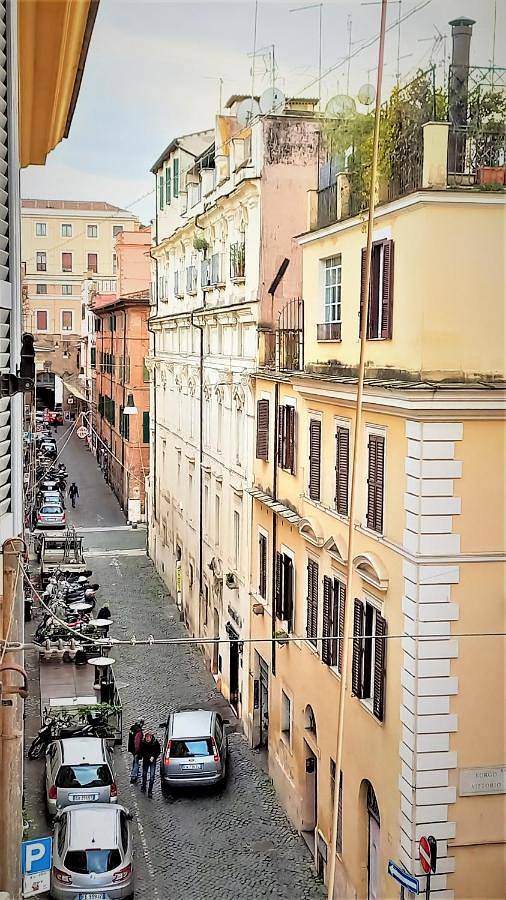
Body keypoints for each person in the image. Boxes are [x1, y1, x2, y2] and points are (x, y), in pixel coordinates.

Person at [140, 731, 161, 798]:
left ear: (151, 738)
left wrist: (153, 757)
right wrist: (149, 757)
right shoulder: (143, 743)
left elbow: (158, 751)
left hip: (153, 761)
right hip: (146, 761)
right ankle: (143, 786)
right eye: (146, 739)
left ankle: (150, 791)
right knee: (144, 775)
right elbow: (142, 752)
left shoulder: (155, 743)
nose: (147, 740)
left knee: (152, 777)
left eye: (148, 738)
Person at [128, 718, 144, 784]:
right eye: (142, 723)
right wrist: (137, 751)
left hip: (131, 748)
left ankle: (134, 773)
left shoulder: (132, 728)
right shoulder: (138, 731)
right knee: (136, 763)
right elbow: (137, 742)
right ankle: (133, 777)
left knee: (135, 761)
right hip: (135, 750)